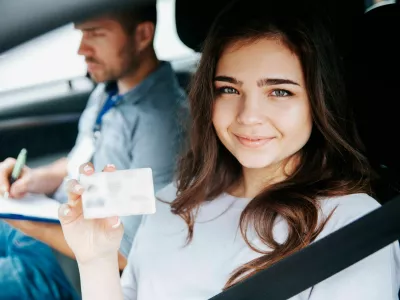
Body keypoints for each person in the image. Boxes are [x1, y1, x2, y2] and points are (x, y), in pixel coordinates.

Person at [59, 0, 400, 299]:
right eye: (228, 90)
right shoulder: (172, 201)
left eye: (280, 92)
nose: (248, 116)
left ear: (317, 100)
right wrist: (97, 259)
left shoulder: (352, 226)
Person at [0, 2, 187, 299]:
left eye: (95, 34)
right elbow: (79, 161)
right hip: (48, 227)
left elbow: (128, 253)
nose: (82, 49)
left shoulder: (162, 126)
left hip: (66, 270)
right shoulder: (109, 89)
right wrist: (35, 179)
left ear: (142, 35)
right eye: (81, 35)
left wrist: (27, 223)